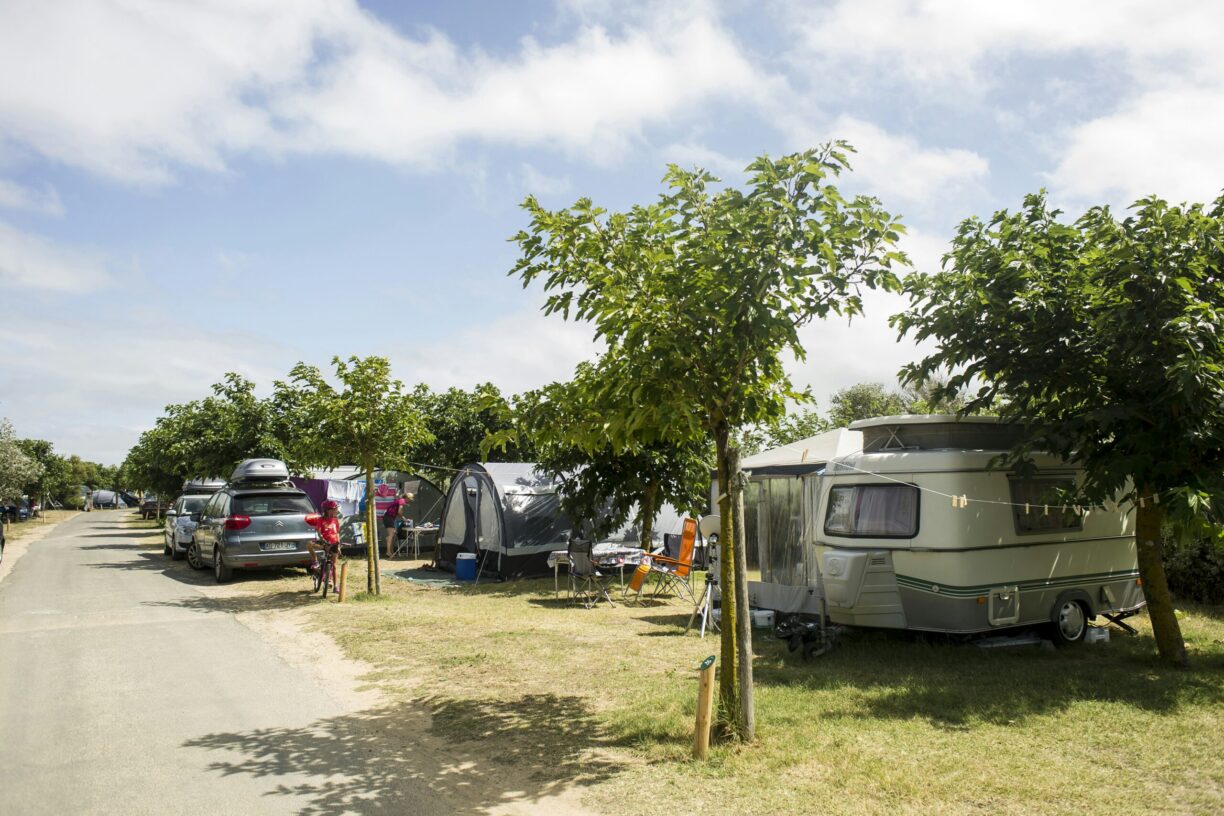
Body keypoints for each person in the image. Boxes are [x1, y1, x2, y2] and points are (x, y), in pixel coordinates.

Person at [309, 499, 343, 573]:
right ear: (328, 510)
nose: (337, 510)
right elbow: (319, 531)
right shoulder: (321, 520)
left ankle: (330, 580)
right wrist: (322, 539)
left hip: (334, 544)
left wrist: (339, 546)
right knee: (310, 544)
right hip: (325, 543)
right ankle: (315, 561)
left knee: (333, 565)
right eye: (335, 509)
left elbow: (337, 533)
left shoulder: (335, 520)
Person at [383, 491, 415, 558]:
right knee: (390, 535)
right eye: (410, 499)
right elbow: (399, 511)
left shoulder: (400, 500)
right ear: (407, 498)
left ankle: (391, 551)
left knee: (392, 535)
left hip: (389, 518)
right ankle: (388, 552)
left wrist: (403, 518)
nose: (409, 501)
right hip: (389, 518)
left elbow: (398, 512)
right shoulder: (402, 500)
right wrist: (404, 518)